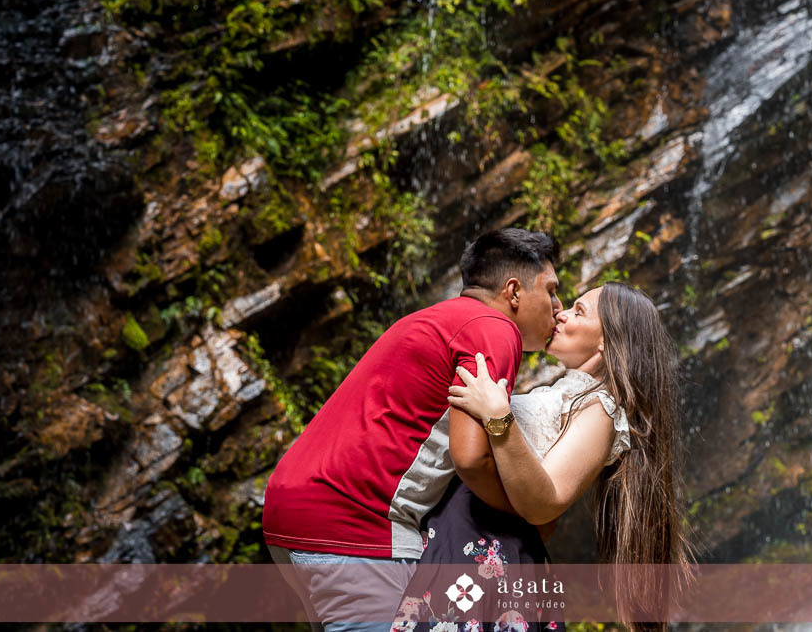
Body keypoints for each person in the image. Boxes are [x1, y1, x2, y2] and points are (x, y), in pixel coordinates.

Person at [261, 228, 563, 632]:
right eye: (552, 291)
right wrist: (528, 514)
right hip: (352, 521)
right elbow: (471, 456)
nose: (559, 308)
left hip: (293, 509)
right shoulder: (492, 328)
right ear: (513, 292)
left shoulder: (436, 318)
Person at [393, 282, 690, 632]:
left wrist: (498, 417)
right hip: (463, 541)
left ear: (606, 341)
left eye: (578, 312)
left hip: (490, 555)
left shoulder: (603, 409)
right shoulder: (566, 395)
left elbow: (545, 501)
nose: (560, 314)